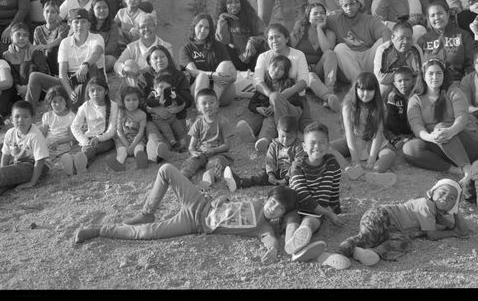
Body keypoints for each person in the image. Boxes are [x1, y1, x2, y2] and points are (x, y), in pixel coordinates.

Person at [73, 164, 302, 268]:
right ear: (268, 197)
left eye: (279, 208)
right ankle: (146, 212)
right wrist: (221, 198)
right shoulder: (257, 201)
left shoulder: (263, 227)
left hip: (193, 223)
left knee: (144, 234)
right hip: (197, 201)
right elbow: (227, 200)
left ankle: (99, 230)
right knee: (166, 170)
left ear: (281, 214)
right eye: (273, 201)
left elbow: (269, 240)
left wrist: (273, 249)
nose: (273, 207)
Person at [333, 178, 471, 266]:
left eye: (452, 198)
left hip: (394, 229)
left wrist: (455, 210)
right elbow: (432, 235)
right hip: (382, 215)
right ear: (432, 193)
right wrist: (453, 233)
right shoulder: (426, 206)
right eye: (442, 193)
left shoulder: (438, 213)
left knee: (404, 242)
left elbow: (464, 231)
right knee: (368, 237)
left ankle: (370, 253)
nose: (446, 198)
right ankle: (339, 253)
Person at [240, 26, 316, 153]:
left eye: (278, 36)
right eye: (270, 38)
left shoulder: (298, 55)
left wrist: (281, 96)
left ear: (287, 39)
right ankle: (265, 139)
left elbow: (304, 81)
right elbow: (257, 80)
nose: (274, 40)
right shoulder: (264, 57)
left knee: (306, 124)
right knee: (268, 118)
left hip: (294, 100)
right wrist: (271, 97)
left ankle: (285, 137)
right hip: (268, 100)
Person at [402, 58, 478, 178]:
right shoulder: (415, 99)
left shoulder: (454, 91)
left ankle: (467, 168)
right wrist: (430, 137)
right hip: (436, 141)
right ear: (424, 76)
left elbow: (462, 117)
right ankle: (454, 170)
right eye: (431, 73)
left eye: (439, 73)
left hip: (464, 140)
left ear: (444, 75)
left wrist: (451, 131)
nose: (435, 77)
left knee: (440, 127)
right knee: (409, 148)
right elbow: (416, 125)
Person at [285, 122, 344, 256]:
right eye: (312, 143)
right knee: (292, 223)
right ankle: (291, 247)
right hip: (295, 206)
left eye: (322, 142)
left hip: (316, 211)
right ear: (304, 147)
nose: (317, 146)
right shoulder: (297, 166)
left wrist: (335, 209)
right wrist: (329, 214)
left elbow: (334, 189)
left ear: (328, 145)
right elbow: (303, 196)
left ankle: (300, 245)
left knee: (309, 223)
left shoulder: (332, 163)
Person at [25, 7, 105, 107]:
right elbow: (62, 73)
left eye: (83, 22)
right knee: (34, 76)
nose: (80, 25)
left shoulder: (97, 38)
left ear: (89, 24)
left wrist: (86, 65)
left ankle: (90, 108)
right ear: (71, 24)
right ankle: (27, 110)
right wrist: (69, 91)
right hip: (69, 82)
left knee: (92, 67)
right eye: (76, 22)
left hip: (90, 79)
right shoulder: (65, 42)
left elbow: (97, 53)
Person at [329, 72, 398, 185]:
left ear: (376, 91)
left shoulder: (381, 107)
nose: (365, 94)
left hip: (375, 142)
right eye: (362, 89)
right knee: (329, 147)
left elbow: (378, 134)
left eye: (370, 90)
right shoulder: (348, 106)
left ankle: (375, 173)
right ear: (355, 89)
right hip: (355, 141)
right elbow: (349, 132)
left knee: (389, 154)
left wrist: (372, 158)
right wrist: (354, 158)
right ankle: (348, 170)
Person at [138, 45, 192, 163]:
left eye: (162, 56)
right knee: (154, 135)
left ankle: (162, 153)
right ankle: (159, 153)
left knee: (175, 139)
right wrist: (153, 110)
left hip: (176, 118)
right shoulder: (144, 78)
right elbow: (140, 101)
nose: (159, 60)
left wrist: (175, 108)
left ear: (168, 58)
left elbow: (188, 98)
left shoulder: (178, 75)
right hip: (154, 119)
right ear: (149, 62)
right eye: (155, 58)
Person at [325, 0, 391, 85]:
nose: (349, 8)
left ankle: (379, 77)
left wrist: (388, 53)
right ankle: (360, 84)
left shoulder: (369, 19)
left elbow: (385, 31)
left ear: (359, 4)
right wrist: (300, 24)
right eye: (345, 5)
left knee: (383, 42)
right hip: (349, 61)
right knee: (340, 48)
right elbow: (318, 18)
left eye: (352, 4)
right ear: (341, 8)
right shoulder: (335, 19)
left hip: (369, 58)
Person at [224, 114, 305, 190]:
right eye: (282, 136)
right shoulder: (274, 144)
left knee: (299, 175)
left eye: (290, 138)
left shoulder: (298, 146)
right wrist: (271, 174)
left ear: (296, 135)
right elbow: (270, 160)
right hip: (277, 171)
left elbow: (297, 164)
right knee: (262, 176)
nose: (285, 140)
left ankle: (288, 186)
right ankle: (240, 182)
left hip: (291, 174)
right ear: (278, 131)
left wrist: (286, 179)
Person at [180, 88, 234, 190]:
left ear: (217, 104)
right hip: (202, 152)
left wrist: (214, 150)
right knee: (191, 162)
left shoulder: (223, 122)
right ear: (198, 107)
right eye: (204, 103)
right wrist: (193, 153)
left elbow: (227, 145)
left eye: (211, 102)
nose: (208, 106)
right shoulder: (198, 123)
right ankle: (182, 178)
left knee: (216, 163)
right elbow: (191, 147)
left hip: (219, 152)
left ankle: (208, 179)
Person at [289, 3, 339, 110]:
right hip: (302, 71)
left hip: (319, 70)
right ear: (308, 17)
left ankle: (330, 89)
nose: (319, 16)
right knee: (310, 75)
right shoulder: (301, 30)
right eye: (315, 13)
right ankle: (328, 97)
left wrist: (320, 29)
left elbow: (326, 50)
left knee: (330, 53)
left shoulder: (329, 33)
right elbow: (289, 50)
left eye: (322, 13)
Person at [179, 13, 237, 106]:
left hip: (219, 91)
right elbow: (193, 71)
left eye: (206, 28)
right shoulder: (186, 49)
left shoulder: (218, 46)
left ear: (210, 30)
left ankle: (212, 104)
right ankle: (203, 109)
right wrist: (212, 75)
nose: (202, 30)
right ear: (194, 26)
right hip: (197, 92)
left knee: (225, 65)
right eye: (200, 26)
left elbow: (232, 72)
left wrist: (230, 79)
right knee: (202, 76)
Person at [69, 77, 119, 174]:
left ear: (106, 91)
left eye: (99, 90)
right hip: (89, 138)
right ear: (88, 93)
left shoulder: (113, 105)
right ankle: (80, 166)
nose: (95, 93)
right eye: (92, 91)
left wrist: (98, 138)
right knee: (90, 148)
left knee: (93, 148)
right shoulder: (85, 106)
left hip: (107, 139)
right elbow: (74, 126)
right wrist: (84, 141)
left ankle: (75, 164)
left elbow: (112, 130)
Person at [418, 2, 475, 84]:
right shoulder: (423, 40)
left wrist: (465, 82)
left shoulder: (463, 36)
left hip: (458, 82)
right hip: (432, 84)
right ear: (428, 19)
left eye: (440, 13)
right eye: (432, 15)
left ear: (447, 14)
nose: (437, 18)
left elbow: (471, 64)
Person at [113, 14, 173, 88]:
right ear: (138, 30)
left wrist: (143, 71)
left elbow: (170, 66)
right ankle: (136, 94)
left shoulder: (166, 46)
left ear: (155, 27)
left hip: (159, 83)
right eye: (142, 27)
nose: (146, 29)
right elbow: (117, 64)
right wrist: (127, 69)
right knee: (130, 64)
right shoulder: (132, 47)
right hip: (136, 83)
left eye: (150, 25)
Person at [215, 0, 266, 72]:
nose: (234, 5)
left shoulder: (251, 17)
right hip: (236, 60)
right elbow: (223, 41)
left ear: (241, 3)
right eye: (229, 3)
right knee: (221, 47)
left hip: (254, 57)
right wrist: (222, 19)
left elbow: (265, 35)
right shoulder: (223, 21)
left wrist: (252, 40)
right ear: (224, 5)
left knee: (265, 45)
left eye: (237, 2)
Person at [373, 20, 425, 97]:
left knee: (420, 86)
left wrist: (402, 77)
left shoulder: (416, 49)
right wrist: (405, 71)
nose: (405, 42)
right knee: (384, 88)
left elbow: (420, 75)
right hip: (391, 83)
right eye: (401, 38)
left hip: (408, 82)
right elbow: (381, 78)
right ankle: (383, 108)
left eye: (409, 38)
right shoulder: (383, 50)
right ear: (392, 38)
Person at [2, 22, 49, 102]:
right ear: (11, 37)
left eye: (25, 35)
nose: (21, 38)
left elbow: (43, 72)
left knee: (25, 66)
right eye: (18, 35)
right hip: (17, 90)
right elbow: (12, 75)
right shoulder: (6, 55)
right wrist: (19, 88)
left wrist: (27, 87)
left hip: (37, 87)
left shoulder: (35, 51)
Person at [107, 85, 148, 171]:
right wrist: (126, 144)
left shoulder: (142, 114)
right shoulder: (121, 112)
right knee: (122, 152)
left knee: (139, 149)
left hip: (137, 139)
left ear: (139, 100)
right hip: (123, 140)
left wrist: (133, 145)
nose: (131, 102)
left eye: (134, 99)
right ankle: (118, 164)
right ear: (123, 101)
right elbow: (119, 131)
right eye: (128, 100)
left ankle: (141, 161)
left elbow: (141, 133)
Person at [144, 71, 188, 151]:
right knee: (167, 130)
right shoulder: (153, 94)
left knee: (179, 128)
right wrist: (158, 102)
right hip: (159, 120)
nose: (162, 90)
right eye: (160, 87)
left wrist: (176, 97)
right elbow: (148, 102)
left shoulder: (172, 94)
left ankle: (183, 141)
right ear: (155, 87)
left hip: (172, 118)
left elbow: (181, 102)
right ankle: (173, 142)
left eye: (166, 88)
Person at [40, 86, 77, 170]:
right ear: (50, 104)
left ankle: (68, 163)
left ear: (66, 101)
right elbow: (43, 133)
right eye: (54, 102)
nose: (58, 104)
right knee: (41, 152)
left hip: (63, 142)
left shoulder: (71, 116)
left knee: (53, 154)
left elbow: (71, 137)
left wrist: (57, 142)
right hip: (49, 142)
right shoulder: (48, 115)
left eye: (60, 100)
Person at [384, 66, 418, 152]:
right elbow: (392, 118)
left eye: (407, 80)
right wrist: (399, 133)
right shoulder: (392, 96)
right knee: (386, 129)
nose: (403, 83)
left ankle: (410, 138)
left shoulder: (417, 95)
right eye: (399, 81)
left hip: (412, 126)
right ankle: (396, 140)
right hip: (396, 127)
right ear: (395, 84)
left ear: (413, 81)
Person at [88, 0, 125, 74]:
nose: (102, 10)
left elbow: (111, 47)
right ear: (93, 10)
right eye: (98, 8)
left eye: (105, 7)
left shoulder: (113, 25)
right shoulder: (87, 24)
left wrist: (96, 55)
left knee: (111, 60)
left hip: (105, 56)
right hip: (87, 55)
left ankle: (92, 71)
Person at [32, 1, 69, 76]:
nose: (49, 15)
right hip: (42, 61)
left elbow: (60, 39)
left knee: (51, 50)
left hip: (57, 59)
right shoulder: (38, 29)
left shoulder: (63, 27)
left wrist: (47, 46)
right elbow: (35, 46)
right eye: (47, 11)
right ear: (43, 13)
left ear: (58, 14)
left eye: (53, 12)